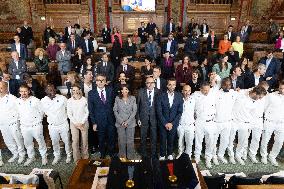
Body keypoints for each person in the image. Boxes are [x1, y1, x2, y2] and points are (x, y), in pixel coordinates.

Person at [231, 86, 267, 165]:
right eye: (259, 97)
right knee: (230, 140)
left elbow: (252, 113)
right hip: (234, 121)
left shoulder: (256, 100)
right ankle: (231, 156)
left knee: (242, 142)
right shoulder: (241, 93)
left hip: (245, 123)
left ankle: (238, 156)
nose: (260, 99)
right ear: (254, 93)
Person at [16, 84, 48, 166]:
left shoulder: (35, 100)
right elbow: (17, 114)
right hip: (24, 126)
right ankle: (31, 157)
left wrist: (38, 121)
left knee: (40, 141)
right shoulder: (17, 101)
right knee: (28, 143)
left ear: (29, 91)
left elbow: (42, 112)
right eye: (22, 91)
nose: (23, 93)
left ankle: (44, 156)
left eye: (25, 91)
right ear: (19, 92)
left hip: (36, 126)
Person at [41, 84, 72, 165]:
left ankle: (69, 155)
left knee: (67, 141)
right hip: (52, 125)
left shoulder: (62, 98)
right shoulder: (43, 101)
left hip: (63, 124)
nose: (53, 91)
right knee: (55, 142)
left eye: (54, 89)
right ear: (46, 91)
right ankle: (57, 156)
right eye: (50, 90)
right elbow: (43, 113)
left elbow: (68, 109)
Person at [88, 74, 116, 158]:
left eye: (102, 80)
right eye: (98, 80)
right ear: (95, 82)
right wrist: (94, 123)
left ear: (105, 82)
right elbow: (91, 109)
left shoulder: (111, 90)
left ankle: (111, 153)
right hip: (99, 120)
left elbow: (115, 104)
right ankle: (102, 154)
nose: (100, 82)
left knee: (111, 137)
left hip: (111, 119)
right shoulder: (91, 93)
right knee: (101, 138)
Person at [212, 78, 238, 165]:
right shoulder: (215, 93)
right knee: (214, 141)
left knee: (225, 140)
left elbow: (245, 93)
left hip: (228, 122)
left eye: (229, 85)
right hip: (217, 122)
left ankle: (221, 155)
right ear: (221, 85)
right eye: (225, 84)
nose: (227, 86)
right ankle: (214, 156)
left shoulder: (233, 93)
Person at [157, 78, 183, 160]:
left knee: (171, 139)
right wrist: (165, 123)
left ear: (175, 85)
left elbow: (179, 112)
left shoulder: (179, 96)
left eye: (173, 84)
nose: (172, 86)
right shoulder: (160, 95)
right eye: (170, 84)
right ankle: (162, 154)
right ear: (167, 85)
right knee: (162, 139)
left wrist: (172, 123)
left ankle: (170, 153)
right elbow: (159, 111)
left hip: (173, 123)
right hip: (163, 122)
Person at [193, 82, 218, 168]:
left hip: (210, 122)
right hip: (199, 121)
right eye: (204, 90)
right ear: (200, 89)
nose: (207, 91)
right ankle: (197, 157)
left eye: (208, 89)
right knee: (198, 140)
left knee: (210, 142)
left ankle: (208, 158)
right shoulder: (195, 95)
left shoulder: (213, 94)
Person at [0, 81, 26, 165]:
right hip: (3, 124)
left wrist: (17, 121)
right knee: (8, 141)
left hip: (13, 123)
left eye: (1, 87)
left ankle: (22, 154)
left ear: (6, 88)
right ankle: (15, 154)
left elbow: (20, 110)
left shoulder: (12, 98)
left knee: (18, 140)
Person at [260, 80, 284, 166]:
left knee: (280, 141)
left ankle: (272, 156)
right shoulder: (271, 96)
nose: (282, 90)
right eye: (281, 88)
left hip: (281, 123)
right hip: (269, 121)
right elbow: (264, 107)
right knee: (265, 139)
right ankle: (263, 155)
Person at [137, 77, 159, 158]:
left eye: (151, 82)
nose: (150, 84)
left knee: (154, 137)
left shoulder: (158, 92)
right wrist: (138, 118)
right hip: (143, 118)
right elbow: (137, 106)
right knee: (143, 137)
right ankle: (143, 153)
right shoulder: (140, 92)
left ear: (154, 83)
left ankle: (153, 154)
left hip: (155, 119)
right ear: (145, 83)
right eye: (148, 83)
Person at [113, 84, 137, 159]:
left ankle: (130, 157)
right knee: (121, 141)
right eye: (123, 89)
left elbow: (134, 111)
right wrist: (121, 121)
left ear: (128, 90)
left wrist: (128, 122)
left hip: (130, 123)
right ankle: (122, 157)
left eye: (126, 89)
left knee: (130, 141)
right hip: (120, 123)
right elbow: (115, 110)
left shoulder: (133, 98)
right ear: (121, 91)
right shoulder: (117, 98)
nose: (124, 91)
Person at [67, 84, 89, 162]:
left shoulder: (84, 99)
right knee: (75, 141)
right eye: (73, 90)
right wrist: (76, 123)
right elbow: (69, 114)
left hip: (84, 122)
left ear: (80, 90)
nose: (75, 92)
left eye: (77, 90)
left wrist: (82, 122)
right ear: (71, 91)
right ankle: (77, 159)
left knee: (84, 141)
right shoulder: (69, 101)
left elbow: (87, 112)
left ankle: (85, 157)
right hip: (74, 123)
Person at [177, 85, 195, 158]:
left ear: (190, 91)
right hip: (180, 125)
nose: (187, 92)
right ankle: (180, 153)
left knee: (189, 142)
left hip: (190, 125)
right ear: (182, 91)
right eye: (185, 90)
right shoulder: (178, 100)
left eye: (188, 91)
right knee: (180, 141)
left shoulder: (194, 100)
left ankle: (188, 155)